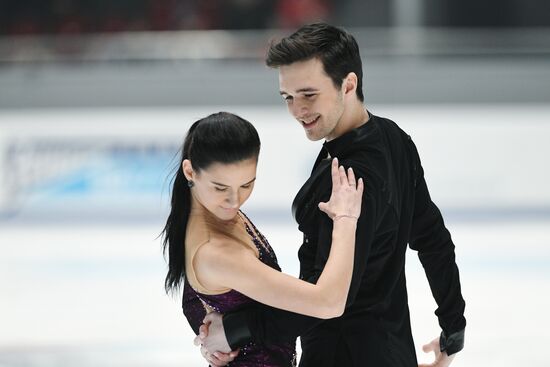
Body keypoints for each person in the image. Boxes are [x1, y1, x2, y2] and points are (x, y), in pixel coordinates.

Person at [196, 23, 466, 367]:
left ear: (348, 84)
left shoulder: (350, 177)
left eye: (308, 95)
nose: (297, 110)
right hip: (391, 349)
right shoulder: (393, 138)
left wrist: (236, 329)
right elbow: (433, 238)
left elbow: (324, 302)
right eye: (288, 97)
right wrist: (453, 325)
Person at [161, 111, 364, 366]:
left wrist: (213, 333)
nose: (235, 200)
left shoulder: (206, 211)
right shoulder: (216, 251)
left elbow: (193, 299)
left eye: (246, 185)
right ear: (190, 171)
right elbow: (329, 303)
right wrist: (346, 219)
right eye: (221, 188)